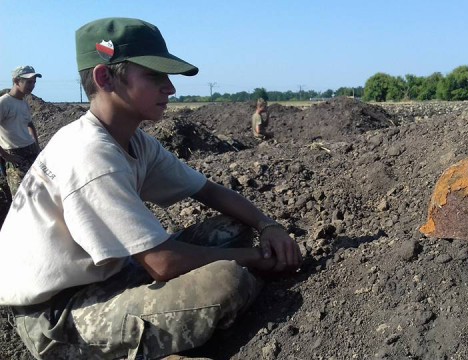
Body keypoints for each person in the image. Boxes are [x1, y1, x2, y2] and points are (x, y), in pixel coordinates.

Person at [0, 17, 302, 360]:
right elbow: (163, 263)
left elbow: (207, 190)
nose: (170, 88)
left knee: (233, 228)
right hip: (55, 316)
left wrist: (268, 226)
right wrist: (257, 258)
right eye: (155, 76)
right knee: (227, 282)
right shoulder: (88, 154)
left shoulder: (134, 141)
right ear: (104, 77)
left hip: (109, 275)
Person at [0, 65, 42, 196]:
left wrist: (36, 146)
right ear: (16, 81)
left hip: (30, 151)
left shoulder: (23, 102)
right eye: (29, 82)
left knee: (38, 193)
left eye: (34, 82)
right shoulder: (4, 103)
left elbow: (30, 124)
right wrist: (6, 156)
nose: (32, 85)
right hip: (14, 155)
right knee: (21, 197)